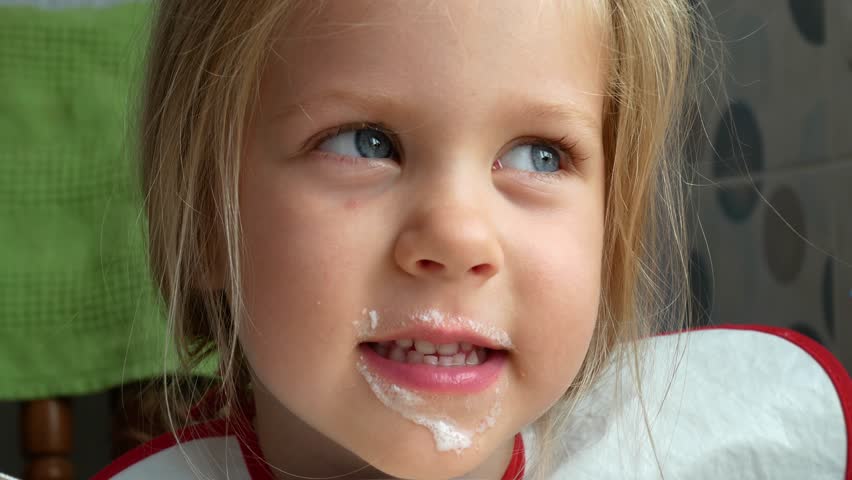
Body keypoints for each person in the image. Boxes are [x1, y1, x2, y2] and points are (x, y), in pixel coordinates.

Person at [93, 0, 851, 479]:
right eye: (364, 142)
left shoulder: (719, 443)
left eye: (537, 155)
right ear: (201, 220)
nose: (457, 237)